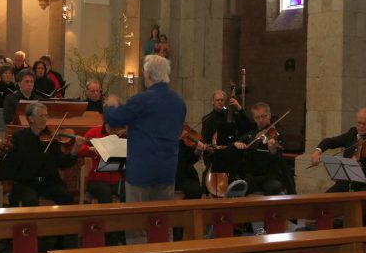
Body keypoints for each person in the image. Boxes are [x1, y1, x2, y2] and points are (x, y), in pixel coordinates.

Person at [104, 54, 186, 204]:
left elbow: (114, 119)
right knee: (161, 222)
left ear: (147, 74)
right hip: (167, 170)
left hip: (142, 171)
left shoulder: (140, 100)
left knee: (137, 222)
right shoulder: (179, 102)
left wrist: (111, 105)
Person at [0, 102, 83, 206]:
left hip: (49, 182)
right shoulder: (19, 138)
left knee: (65, 195)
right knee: (30, 200)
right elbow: (10, 162)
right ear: (31, 119)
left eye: (46, 115)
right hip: (27, 183)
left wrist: (74, 150)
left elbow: (62, 163)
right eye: (41, 116)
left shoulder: (52, 138)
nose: (44, 119)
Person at [310, 108, 366, 192]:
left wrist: (354, 164)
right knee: (327, 198)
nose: (361, 126)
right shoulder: (352, 133)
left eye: (365, 124)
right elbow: (330, 141)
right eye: (359, 123)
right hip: (348, 182)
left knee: (359, 199)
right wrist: (317, 152)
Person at [233, 103, 293, 195]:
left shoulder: (278, 134)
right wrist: (236, 143)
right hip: (253, 176)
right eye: (257, 117)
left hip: (271, 176)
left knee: (275, 189)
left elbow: (278, 156)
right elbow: (237, 143)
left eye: (263, 116)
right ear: (254, 118)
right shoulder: (251, 135)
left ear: (269, 115)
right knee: (237, 191)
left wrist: (272, 150)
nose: (261, 120)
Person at [200, 90, 251, 182]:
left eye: (222, 100)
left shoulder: (231, 114)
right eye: (217, 100)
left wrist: (239, 108)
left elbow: (248, 125)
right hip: (214, 153)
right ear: (213, 102)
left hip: (232, 150)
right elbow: (205, 139)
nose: (220, 102)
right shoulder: (207, 119)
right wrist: (208, 148)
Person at [78, 111, 127, 204]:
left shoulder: (122, 133)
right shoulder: (95, 132)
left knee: (128, 189)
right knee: (105, 191)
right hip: (97, 180)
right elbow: (80, 149)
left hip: (117, 179)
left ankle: (125, 217)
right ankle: (105, 218)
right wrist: (90, 148)